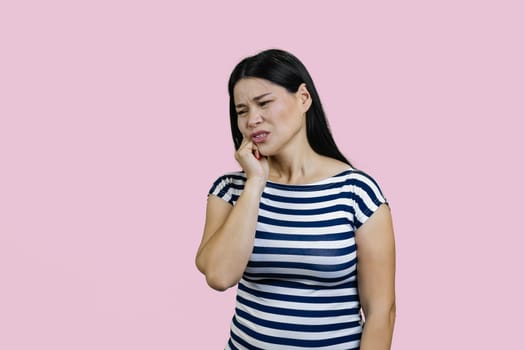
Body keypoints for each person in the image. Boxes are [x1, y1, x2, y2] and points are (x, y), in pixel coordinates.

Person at [195, 49, 396, 350]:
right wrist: (255, 183)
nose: (253, 119)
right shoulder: (230, 190)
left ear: (303, 98)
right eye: (241, 111)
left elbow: (381, 312)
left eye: (264, 103)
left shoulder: (357, 192)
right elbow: (220, 276)